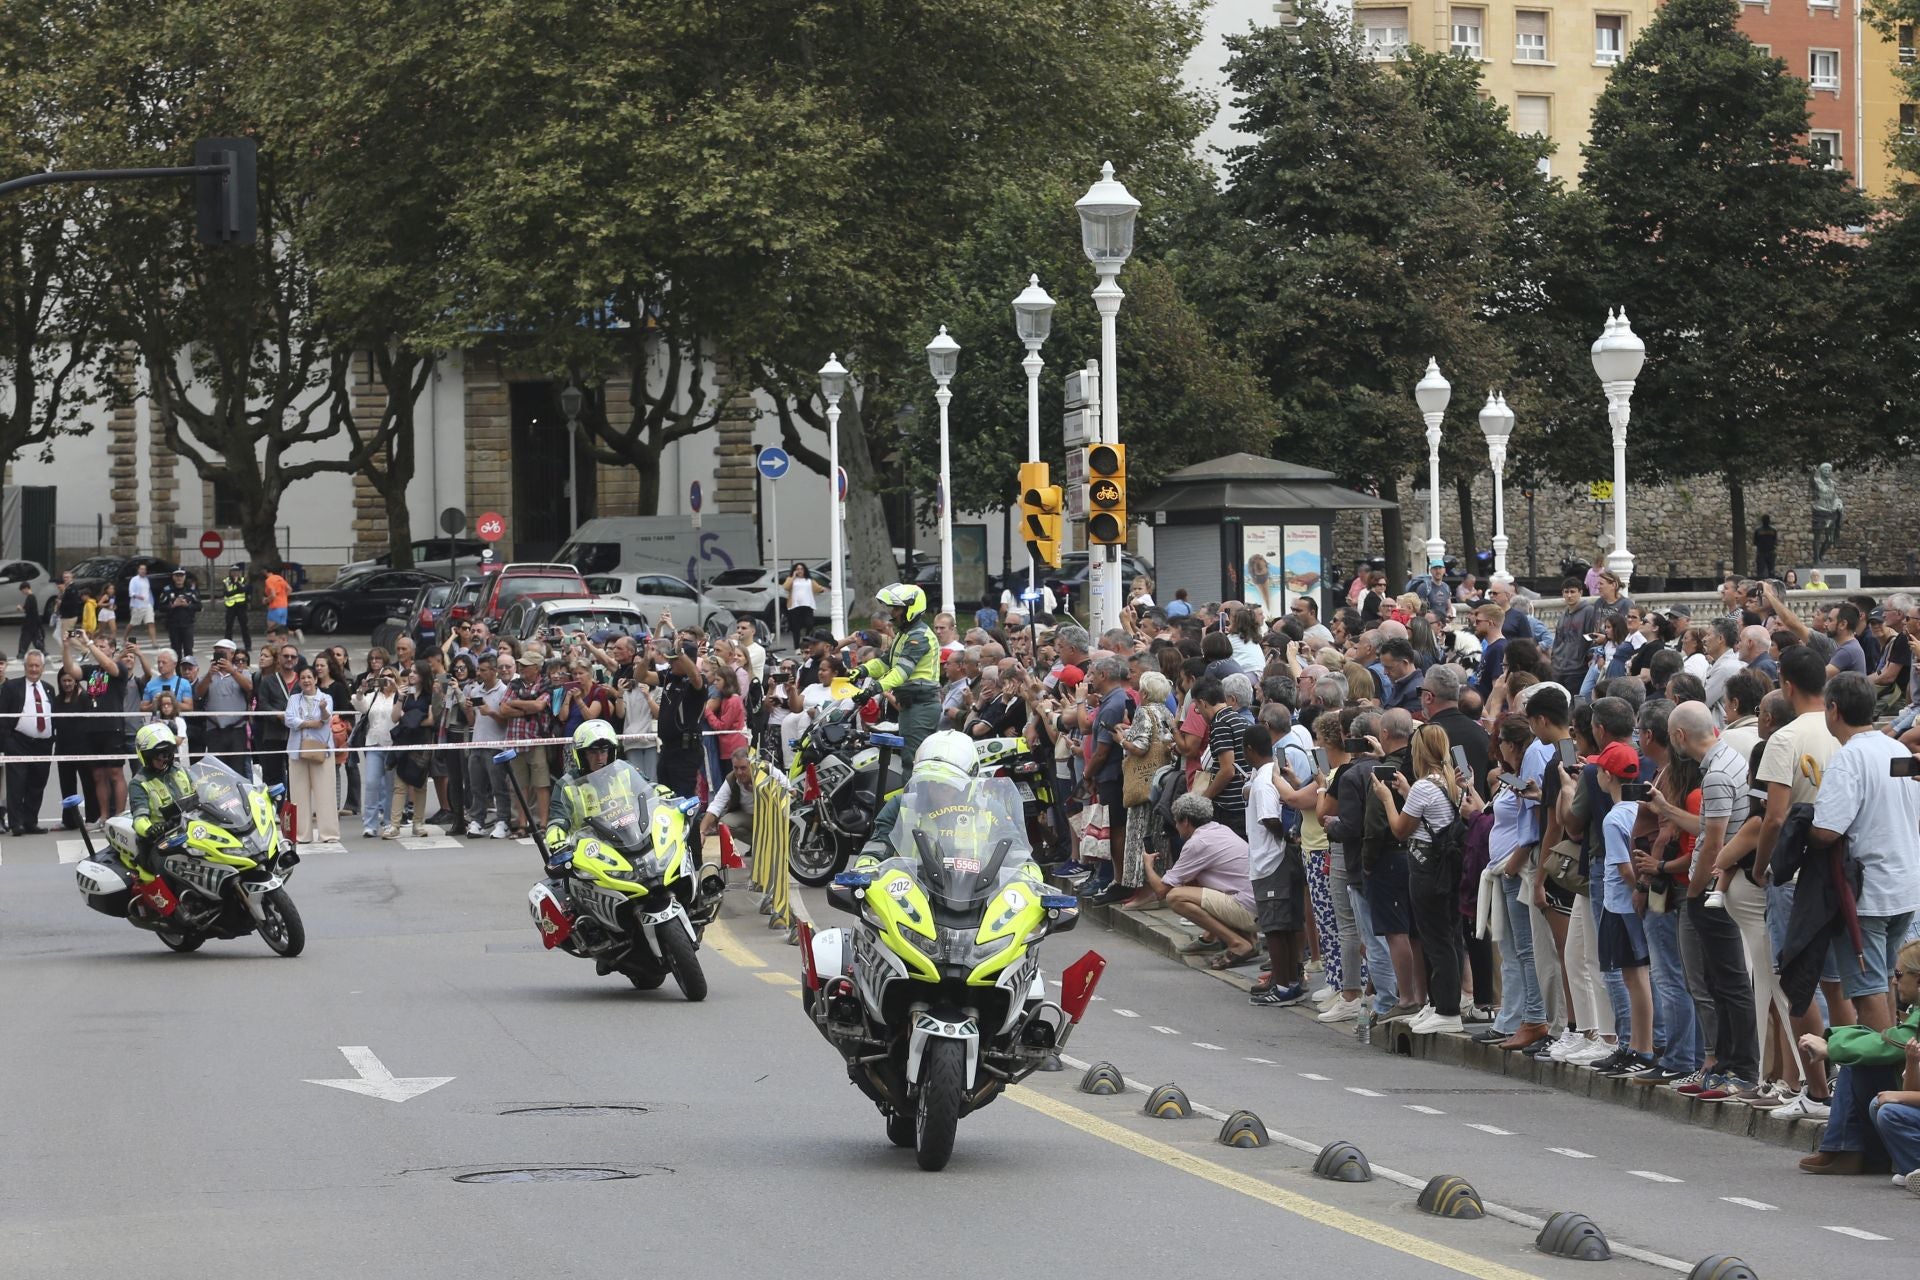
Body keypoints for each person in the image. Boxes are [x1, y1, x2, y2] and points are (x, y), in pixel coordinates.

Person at [1810, 673, 1920, 1032]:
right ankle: (1890, 1066)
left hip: (1868, 893)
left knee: (1867, 986)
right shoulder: (1896, 747)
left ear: (1833, 710)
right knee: (1884, 979)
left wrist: (1799, 830)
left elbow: (1827, 830)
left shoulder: (1850, 758)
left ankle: (1878, 1069)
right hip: (1902, 884)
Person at [1374, 722, 1481, 1035]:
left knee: (1437, 940)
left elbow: (1400, 829)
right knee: (1448, 935)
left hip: (1427, 868)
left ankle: (1447, 1010)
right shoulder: (1453, 781)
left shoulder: (1424, 786)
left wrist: (1386, 798)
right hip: (1449, 867)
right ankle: (1437, 1004)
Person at [1141, 792, 1260, 970]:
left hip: (1248, 909)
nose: (1176, 825)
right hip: (1257, 904)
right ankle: (1240, 939)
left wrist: (1148, 865)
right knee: (1191, 882)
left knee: (1175, 896)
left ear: (1186, 821)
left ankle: (1237, 943)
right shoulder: (1220, 829)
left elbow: (1161, 891)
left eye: (1176, 821)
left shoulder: (1198, 842)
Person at [856, 583, 941, 763]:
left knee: (913, 761)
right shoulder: (905, 634)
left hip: (921, 707)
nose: (892, 613)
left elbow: (901, 672)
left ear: (911, 608)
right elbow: (885, 662)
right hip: (910, 706)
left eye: (897, 608)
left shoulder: (919, 636)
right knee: (907, 757)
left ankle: (914, 792)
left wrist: (873, 689)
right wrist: (860, 671)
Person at [126, 723, 196, 876]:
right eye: (157, 755)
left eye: (166, 753)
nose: (162, 759)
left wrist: (222, 791)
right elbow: (139, 818)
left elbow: (203, 789)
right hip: (162, 841)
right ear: (146, 755)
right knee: (174, 872)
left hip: (192, 830)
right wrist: (150, 829)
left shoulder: (181, 771)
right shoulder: (139, 783)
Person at [2, 648, 56, 835]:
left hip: (43, 744)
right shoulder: (12, 687)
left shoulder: (49, 688)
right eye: (30, 665)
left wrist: (51, 739)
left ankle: (30, 821)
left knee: (37, 784)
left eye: (37, 666)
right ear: (25, 667)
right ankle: (16, 823)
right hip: (18, 742)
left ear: (42, 668)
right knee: (17, 784)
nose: (34, 669)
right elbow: (4, 716)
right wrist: (7, 742)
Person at [284, 664, 339, 842]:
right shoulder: (294, 699)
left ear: (316, 679)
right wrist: (309, 724)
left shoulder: (326, 697)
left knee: (325, 793)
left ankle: (329, 833)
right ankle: (302, 834)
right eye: (303, 678)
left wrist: (322, 710)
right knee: (298, 793)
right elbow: (289, 719)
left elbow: (325, 719)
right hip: (297, 751)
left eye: (309, 677)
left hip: (320, 750)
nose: (306, 681)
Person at [353, 665, 402, 838]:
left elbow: (403, 713)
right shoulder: (374, 696)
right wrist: (362, 689)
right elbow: (360, 705)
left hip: (392, 745)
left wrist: (397, 690)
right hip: (373, 743)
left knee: (391, 786)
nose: (387, 679)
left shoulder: (400, 695)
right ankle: (370, 824)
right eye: (384, 676)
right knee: (372, 783)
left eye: (390, 676)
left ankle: (389, 822)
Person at [700, 746, 757, 856]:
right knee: (724, 824)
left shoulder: (767, 772)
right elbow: (716, 805)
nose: (739, 772)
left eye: (743, 768)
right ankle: (757, 844)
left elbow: (789, 789)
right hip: (747, 817)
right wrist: (701, 832)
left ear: (752, 765)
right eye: (735, 768)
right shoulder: (731, 779)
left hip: (769, 818)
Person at [157, 567, 199, 657]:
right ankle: (177, 671)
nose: (179, 578)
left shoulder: (190, 590)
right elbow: (160, 607)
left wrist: (187, 606)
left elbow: (199, 606)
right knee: (176, 652)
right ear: (173, 577)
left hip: (188, 624)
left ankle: (189, 670)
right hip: (173, 625)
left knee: (188, 650)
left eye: (181, 576)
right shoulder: (167, 590)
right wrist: (172, 606)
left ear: (184, 577)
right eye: (177, 576)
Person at [782, 563, 818, 651]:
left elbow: (817, 588)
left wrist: (824, 588)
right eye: (797, 569)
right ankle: (797, 647)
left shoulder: (809, 580)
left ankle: (806, 643)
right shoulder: (791, 579)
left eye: (801, 569)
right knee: (796, 628)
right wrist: (793, 577)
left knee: (809, 624)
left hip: (807, 606)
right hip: (795, 606)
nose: (800, 571)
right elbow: (786, 587)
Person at [220, 564, 251, 650]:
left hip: (241, 607)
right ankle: (227, 646)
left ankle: (248, 646)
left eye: (236, 571)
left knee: (244, 627)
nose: (235, 573)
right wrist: (237, 590)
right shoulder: (226, 581)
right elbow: (226, 593)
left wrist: (237, 583)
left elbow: (244, 590)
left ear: (239, 572)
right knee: (229, 627)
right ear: (230, 572)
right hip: (230, 607)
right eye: (233, 571)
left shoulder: (243, 580)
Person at [125, 563, 157, 645]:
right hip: (137, 605)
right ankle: (125, 637)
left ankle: (154, 642)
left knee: (151, 622)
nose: (143, 571)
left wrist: (151, 602)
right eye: (141, 569)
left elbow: (148, 592)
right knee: (133, 623)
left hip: (148, 605)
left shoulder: (146, 580)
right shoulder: (134, 580)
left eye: (144, 569)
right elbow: (131, 592)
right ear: (138, 570)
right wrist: (138, 597)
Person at [262, 566, 291, 634]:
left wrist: (266, 600)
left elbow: (273, 594)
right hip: (284, 607)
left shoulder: (269, 580)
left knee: (271, 630)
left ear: (265, 571)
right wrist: (283, 597)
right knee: (282, 630)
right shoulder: (279, 578)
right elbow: (289, 589)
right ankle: (285, 642)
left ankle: (273, 644)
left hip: (275, 608)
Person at [1753, 516, 1778, 581]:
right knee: (1766, 571)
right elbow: (1775, 541)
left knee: (1768, 571)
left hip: (1766, 552)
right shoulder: (1772, 530)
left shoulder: (1759, 530)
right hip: (1765, 552)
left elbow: (1755, 542)